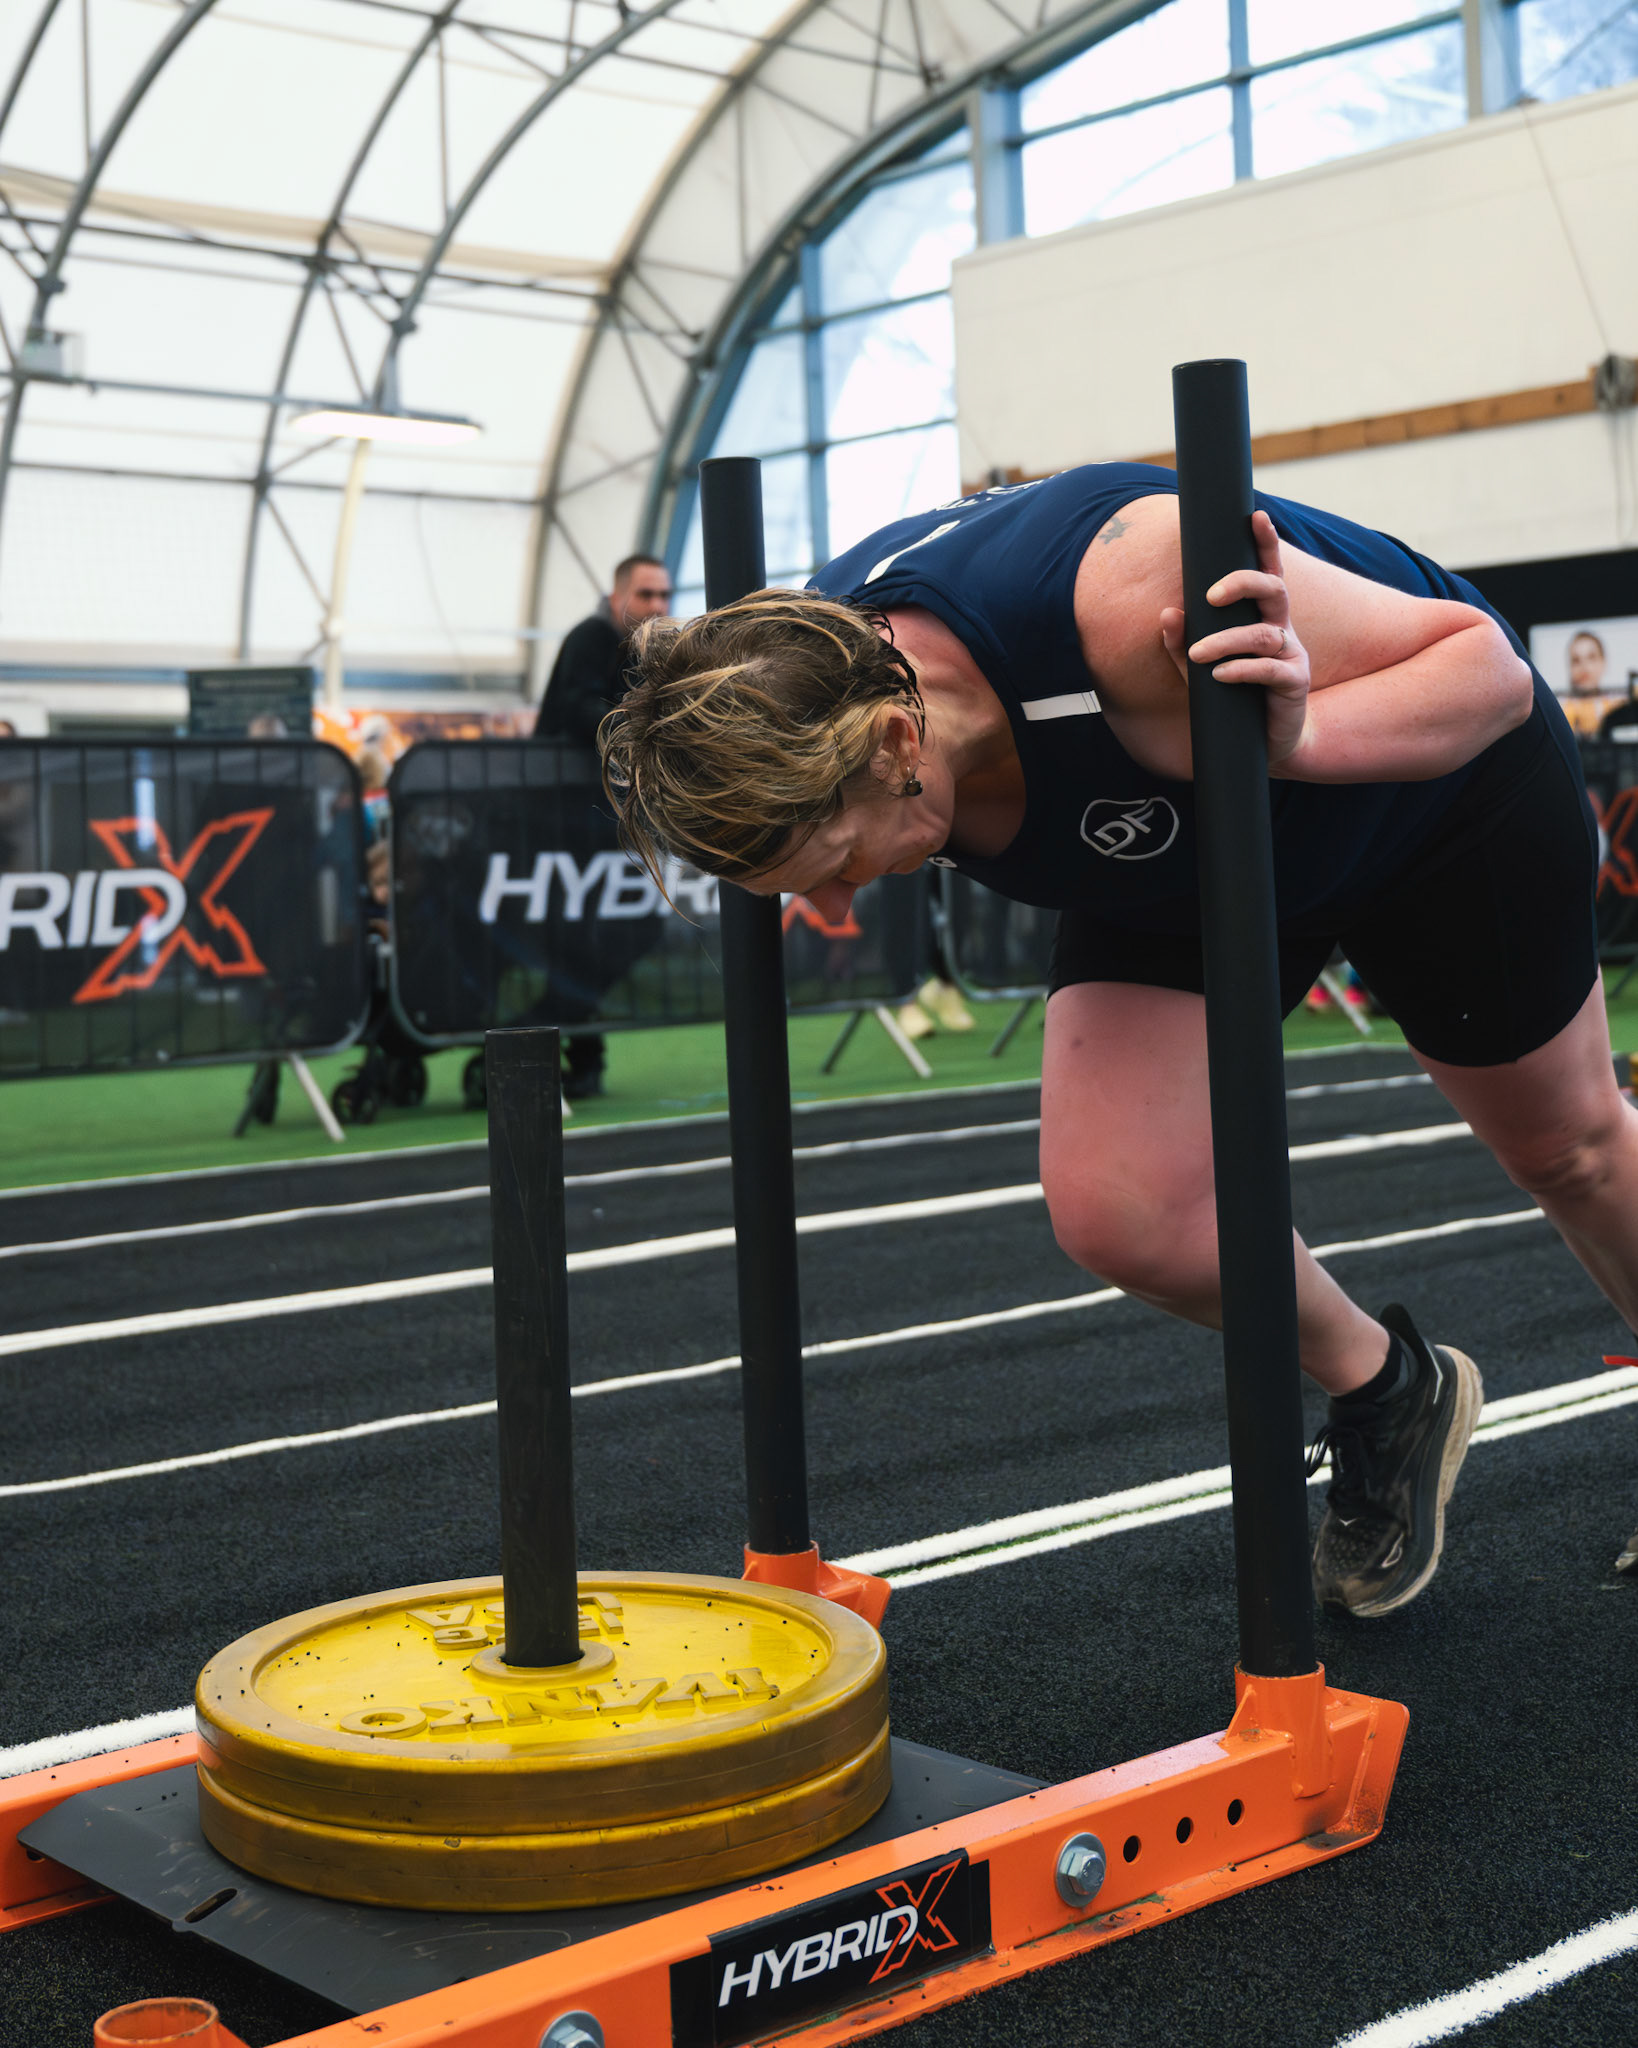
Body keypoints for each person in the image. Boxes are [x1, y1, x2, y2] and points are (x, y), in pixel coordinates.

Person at [599, 462, 1638, 1619]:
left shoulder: (1137, 593)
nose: (844, 898)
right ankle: (1392, 1389)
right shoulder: (794, 681)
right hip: (1178, 840)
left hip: (1428, 797)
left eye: (842, 860)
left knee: (1567, 1149)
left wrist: (1295, 734)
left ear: (898, 734)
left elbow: (1486, 672)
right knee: (1118, 1208)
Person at [538, 553, 672, 1096]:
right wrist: (642, 729)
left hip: (606, 821)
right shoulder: (591, 638)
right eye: (645, 594)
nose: (657, 605)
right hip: (563, 822)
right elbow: (577, 710)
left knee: (625, 927)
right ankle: (562, 1043)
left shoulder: (651, 650)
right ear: (618, 597)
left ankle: (561, 1035)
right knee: (576, 933)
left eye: (664, 595)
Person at [1559, 628, 1623, 737]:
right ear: (1570, 667)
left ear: (1603, 662)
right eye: (1576, 660)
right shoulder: (1560, 712)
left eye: (1591, 657)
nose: (1584, 667)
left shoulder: (1618, 707)